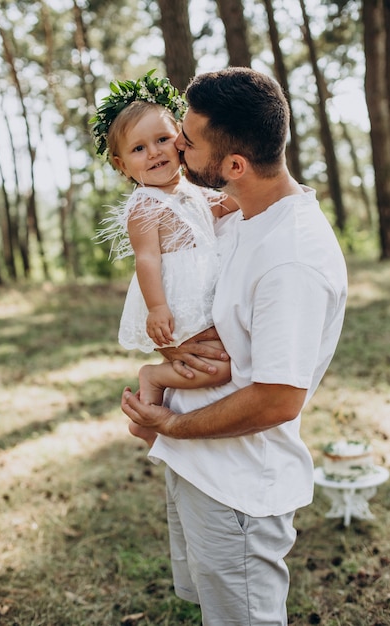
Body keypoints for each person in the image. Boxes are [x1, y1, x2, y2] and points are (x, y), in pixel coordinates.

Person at [121, 67, 348, 626]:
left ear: (234, 166)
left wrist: (170, 426)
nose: (175, 144)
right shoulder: (238, 215)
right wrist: (167, 362)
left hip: (238, 489)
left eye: (187, 140)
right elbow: (178, 287)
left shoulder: (291, 258)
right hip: (198, 466)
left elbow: (277, 399)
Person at [91, 71, 236, 411]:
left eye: (162, 139)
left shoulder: (192, 189)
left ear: (180, 140)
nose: (154, 152)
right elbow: (147, 259)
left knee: (227, 356)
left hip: (207, 294)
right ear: (121, 164)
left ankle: (165, 411)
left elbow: (228, 204)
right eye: (138, 148)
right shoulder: (145, 204)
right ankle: (154, 379)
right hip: (178, 302)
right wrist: (157, 308)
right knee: (219, 366)